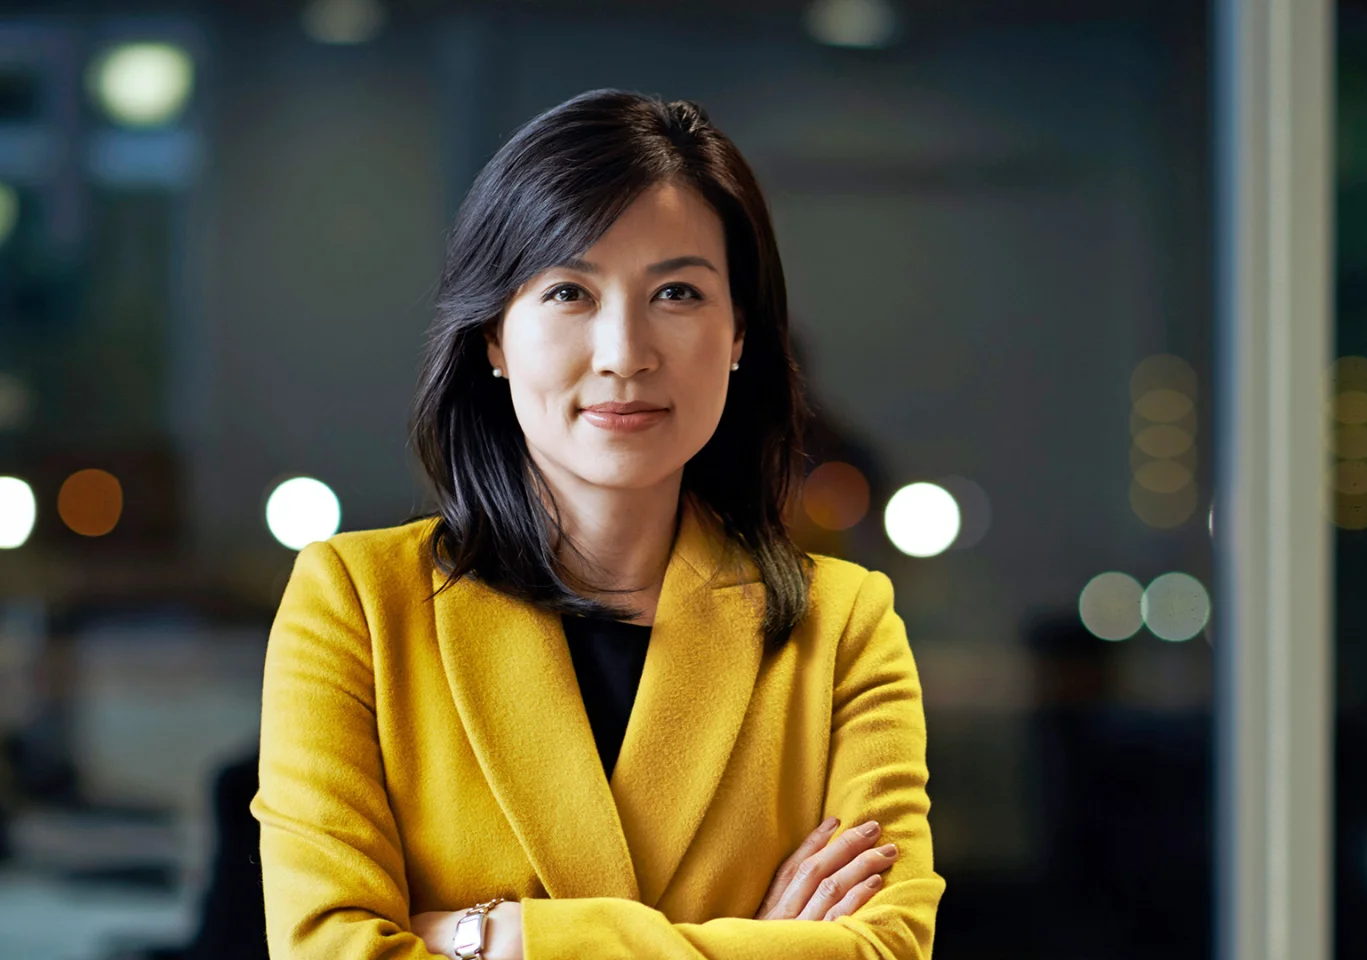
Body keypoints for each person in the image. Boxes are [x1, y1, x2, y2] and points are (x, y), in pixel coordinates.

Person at [250, 89, 942, 959]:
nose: (623, 352)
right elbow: (324, 951)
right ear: (494, 335)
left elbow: (886, 950)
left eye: (679, 292)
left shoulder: (842, 626)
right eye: (570, 291)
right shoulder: (357, 606)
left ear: (739, 335)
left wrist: (498, 937)